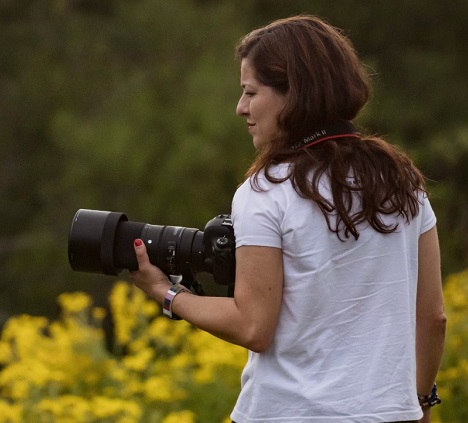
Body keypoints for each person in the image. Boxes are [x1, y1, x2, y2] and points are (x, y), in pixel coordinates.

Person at [129, 15, 446, 423]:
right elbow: (433, 316)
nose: (241, 108)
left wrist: (167, 295)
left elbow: (253, 327)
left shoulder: (266, 192)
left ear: (293, 95)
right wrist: (419, 401)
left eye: (250, 92)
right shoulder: (404, 185)